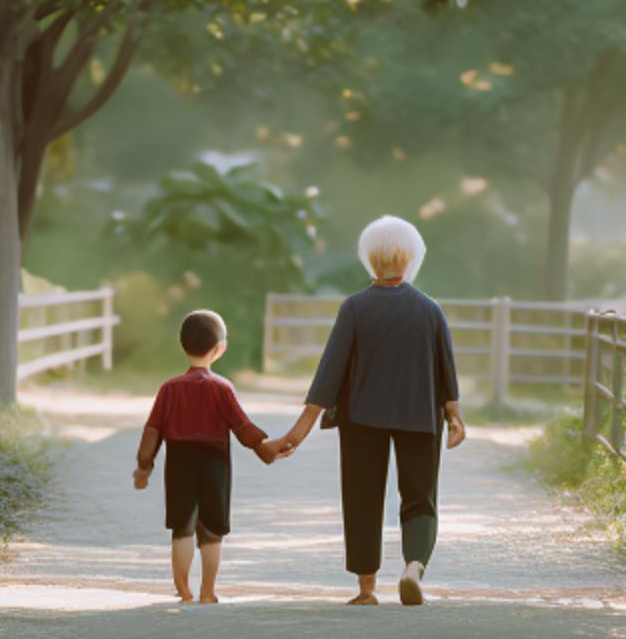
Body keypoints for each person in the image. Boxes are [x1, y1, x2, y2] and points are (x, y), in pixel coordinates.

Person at [275, 215, 466, 606]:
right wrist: (454, 416)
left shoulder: (355, 308)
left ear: (369, 260)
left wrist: (298, 430)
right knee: (420, 497)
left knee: (361, 498)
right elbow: (446, 367)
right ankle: (414, 566)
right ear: (412, 257)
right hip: (419, 415)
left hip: (361, 418)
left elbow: (329, 373)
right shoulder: (430, 309)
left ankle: (366, 590)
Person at [132, 309, 288, 604]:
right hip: (215, 464)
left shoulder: (169, 389)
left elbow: (153, 430)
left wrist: (144, 466)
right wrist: (265, 446)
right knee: (212, 529)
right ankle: (207, 591)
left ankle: (184, 591)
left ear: (183, 345)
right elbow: (242, 426)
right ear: (219, 349)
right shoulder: (222, 388)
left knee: (181, 528)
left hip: (179, 461)